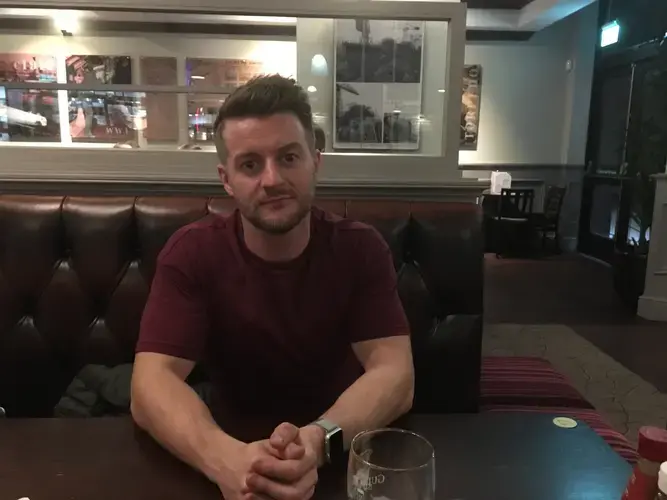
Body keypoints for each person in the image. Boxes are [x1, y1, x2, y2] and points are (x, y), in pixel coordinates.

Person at [130, 74, 414, 500]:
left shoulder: (361, 249)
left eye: (288, 157)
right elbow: (150, 385)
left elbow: (395, 374)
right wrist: (227, 461)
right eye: (250, 165)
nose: (272, 179)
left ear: (315, 161)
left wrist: (316, 443)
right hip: (226, 454)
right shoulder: (191, 253)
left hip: (341, 456)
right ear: (226, 180)